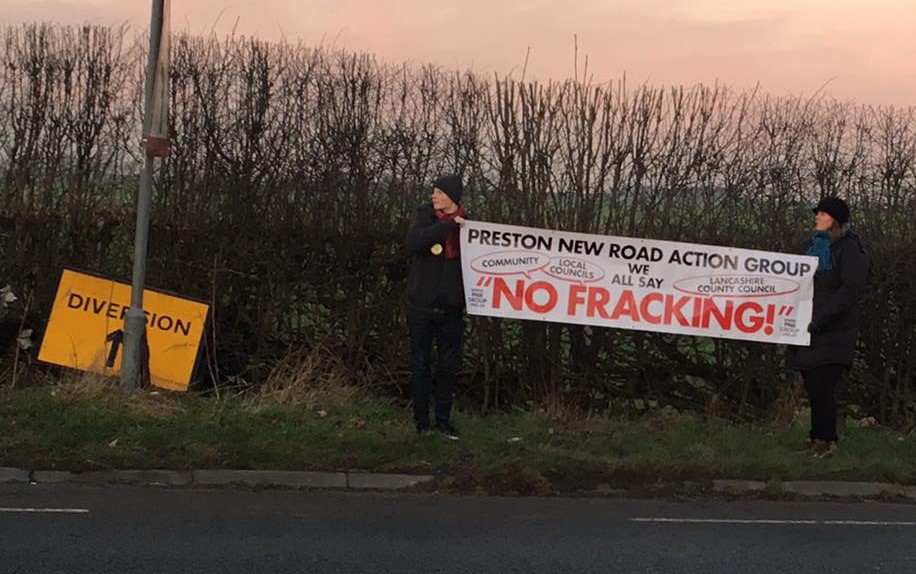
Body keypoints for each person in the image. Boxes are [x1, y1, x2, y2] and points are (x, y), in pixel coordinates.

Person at [789, 196, 869, 458]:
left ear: (835, 220)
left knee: (822, 385)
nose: (817, 218)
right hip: (812, 330)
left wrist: (821, 318)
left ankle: (827, 441)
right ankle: (816, 438)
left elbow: (850, 290)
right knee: (813, 385)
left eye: (822, 214)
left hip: (834, 331)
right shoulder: (816, 248)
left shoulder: (850, 249)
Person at [405, 174, 467, 440]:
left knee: (448, 366)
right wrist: (451, 225)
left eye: (439, 192)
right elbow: (415, 243)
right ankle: (422, 423)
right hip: (420, 306)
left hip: (451, 308)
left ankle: (443, 421)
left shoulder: (469, 226)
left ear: (452, 197)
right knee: (421, 365)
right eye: (433, 191)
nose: (434, 195)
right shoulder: (424, 218)